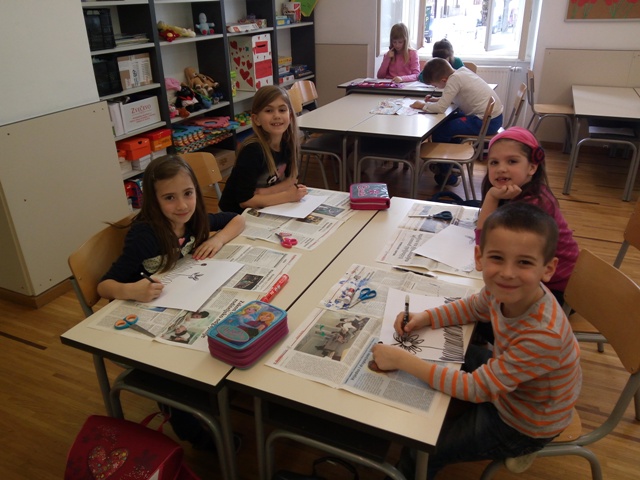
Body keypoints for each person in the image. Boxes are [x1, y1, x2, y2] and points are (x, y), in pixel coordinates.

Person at [372, 202, 582, 479]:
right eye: (497, 258)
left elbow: (475, 389)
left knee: (422, 450)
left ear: (548, 268)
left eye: (524, 262)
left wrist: (402, 360)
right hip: (516, 381)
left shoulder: (543, 335)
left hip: (523, 421)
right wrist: (425, 317)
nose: (507, 272)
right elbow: (472, 307)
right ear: (480, 257)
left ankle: (522, 448)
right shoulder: (505, 289)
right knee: (453, 355)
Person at [98, 154, 245, 303]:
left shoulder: (194, 220)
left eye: (188, 193)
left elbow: (237, 219)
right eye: (169, 197)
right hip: (142, 302)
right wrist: (131, 291)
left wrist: (218, 239)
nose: (182, 206)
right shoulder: (144, 237)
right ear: (154, 200)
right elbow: (103, 287)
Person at [476, 126, 579, 305]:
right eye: (494, 162)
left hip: (555, 288)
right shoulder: (515, 191)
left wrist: (491, 197)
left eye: (512, 161)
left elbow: (484, 243)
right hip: (535, 274)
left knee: (486, 309)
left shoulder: (534, 204)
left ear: (532, 167)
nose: (501, 169)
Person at [411, 58, 503, 187]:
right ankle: (451, 165)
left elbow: (440, 108)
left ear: (443, 80)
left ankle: (446, 174)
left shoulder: (453, 80)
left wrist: (422, 105)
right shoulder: (462, 71)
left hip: (485, 122)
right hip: (491, 119)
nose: (435, 88)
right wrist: (436, 99)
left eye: (435, 85)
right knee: (447, 123)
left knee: (441, 131)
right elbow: (455, 97)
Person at [219, 85, 307, 214]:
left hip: (265, 208)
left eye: (282, 110)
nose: (277, 116)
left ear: (290, 116)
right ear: (256, 119)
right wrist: (288, 196)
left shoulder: (289, 143)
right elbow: (245, 201)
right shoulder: (252, 151)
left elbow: (292, 180)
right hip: (235, 215)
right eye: (269, 111)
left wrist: (265, 192)